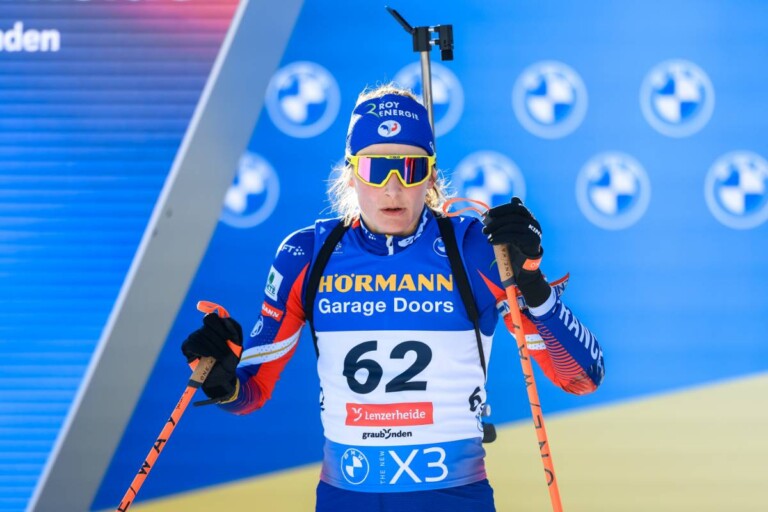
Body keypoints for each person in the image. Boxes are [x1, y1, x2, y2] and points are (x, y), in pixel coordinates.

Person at [181, 84, 605, 512]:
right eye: (375, 168)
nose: (393, 187)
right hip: (347, 498)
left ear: (432, 176)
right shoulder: (308, 255)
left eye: (410, 168)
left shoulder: (475, 250)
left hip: (453, 498)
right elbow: (250, 392)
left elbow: (582, 378)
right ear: (351, 174)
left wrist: (532, 282)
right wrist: (222, 379)